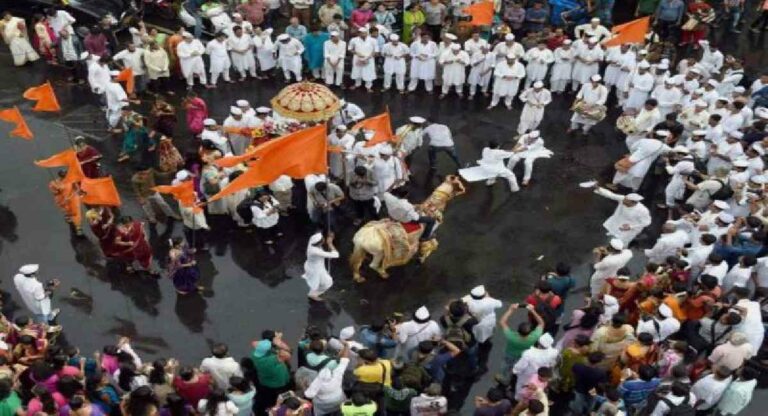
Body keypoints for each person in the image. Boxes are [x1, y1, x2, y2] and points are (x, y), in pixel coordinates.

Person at [301, 233, 338, 301]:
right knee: (327, 283)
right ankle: (313, 294)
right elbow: (336, 255)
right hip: (316, 269)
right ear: (320, 243)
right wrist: (330, 243)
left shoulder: (312, 243)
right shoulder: (315, 251)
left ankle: (314, 291)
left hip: (312, 266)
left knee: (317, 281)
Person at [48, 170, 83, 236]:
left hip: (72, 198)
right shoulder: (54, 183)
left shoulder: (71, 180)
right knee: (68, 212)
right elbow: (54, 192)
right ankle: (69, 218)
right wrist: (57, 190)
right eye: (64, 175)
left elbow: (77, 189)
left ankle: (79, 228)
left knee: (76, 213)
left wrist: (72, 196)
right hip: (62, 201)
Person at [348, 27, 378, 91]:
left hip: (369, 59)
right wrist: (356, 53)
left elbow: (376, 51)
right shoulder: (354, 40)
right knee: (357, 71)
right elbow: (350, 49)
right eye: (361, 33)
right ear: (358, 34)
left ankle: (368, 87)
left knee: (368, 72)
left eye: (364, 33)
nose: (363, 34)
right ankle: (357, 84)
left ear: (367, 33)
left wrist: (368, 58)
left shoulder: (373, 40)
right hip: (357, 58)